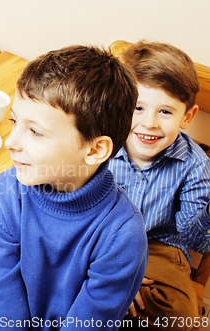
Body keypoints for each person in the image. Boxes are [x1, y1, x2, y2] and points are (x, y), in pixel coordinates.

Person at [0, 45, 148, 330]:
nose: (11, 142)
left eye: (35, 131)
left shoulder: (123, 236)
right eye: (15, 121)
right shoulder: (4, 195)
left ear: (94, 150)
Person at [109, 41, 210, 330]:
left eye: (165, 112)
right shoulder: (101, 144)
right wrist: (117, 274)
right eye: (138, 107)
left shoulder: (195, 165)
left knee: (178, 314)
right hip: (100, 239)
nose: (149, 123)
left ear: (187, 117)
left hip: (160, 249)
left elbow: (197, 240)